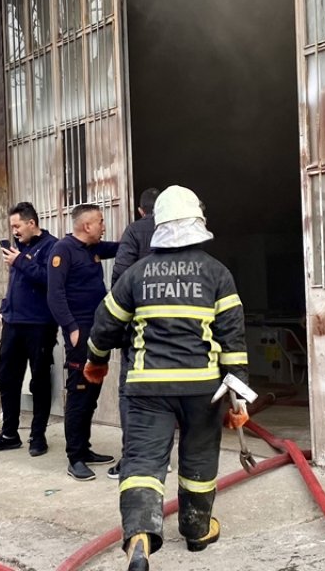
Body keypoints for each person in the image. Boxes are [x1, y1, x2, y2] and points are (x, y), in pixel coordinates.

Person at [85, 186, 251, 570]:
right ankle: (196, 530)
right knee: (198, 456)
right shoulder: (217, 273)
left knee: (142, 461)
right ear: (198, 222)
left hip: (147, 388)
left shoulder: (137, 274)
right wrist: (237, 400)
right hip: (203, 388)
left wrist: (96, 361)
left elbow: (105, 324)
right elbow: (233, 341)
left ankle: (140, 537)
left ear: (157, 225)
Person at [47, 204, 119, 481]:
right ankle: (74, 457)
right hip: (80, 332)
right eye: (100, 222)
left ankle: (85, 448)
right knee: (79, 391)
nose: (103, 226)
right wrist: (71, 328)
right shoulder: (63, 250)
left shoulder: (93, 249)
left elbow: (123, 247)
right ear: (86, 226)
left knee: (93, 390)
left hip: (98, 330)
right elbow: (55, 295)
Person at [0, 202, 59, 457]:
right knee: (7, 379)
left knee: (39, 381)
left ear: (31, 223)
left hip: (39, 325)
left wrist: (21, 261)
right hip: (12, 323)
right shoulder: (20, 248)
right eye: (12, 226)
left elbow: (50, 280)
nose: (14, 230)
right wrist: (5, 307)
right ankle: (9, 433)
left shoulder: (52, 246)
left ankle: (38, 436)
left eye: (17, 225)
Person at [107, 187, 159, 481]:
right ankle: (160, 457)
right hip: (174, 329)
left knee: (130, 392)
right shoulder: (178, 232)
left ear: (141, 210)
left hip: (138, 327)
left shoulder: (136, 230)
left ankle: (132, 458)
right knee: (164, 393)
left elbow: (120, 277)